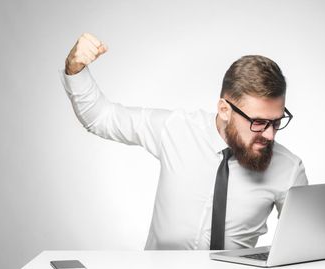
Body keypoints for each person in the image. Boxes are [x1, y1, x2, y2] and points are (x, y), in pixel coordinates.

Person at [60, 33, 308, 251]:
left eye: (276, 121)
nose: (270, 135)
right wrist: (75, 69)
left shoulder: (288, 169)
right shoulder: (177, 129)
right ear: (224, 109)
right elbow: (102, 118)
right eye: (258, 122)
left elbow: (304, 247)